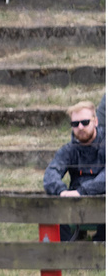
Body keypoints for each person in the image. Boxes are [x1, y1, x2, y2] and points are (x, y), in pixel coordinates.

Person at [44, 102, 106, 239]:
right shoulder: (69, 149)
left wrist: (82, 191)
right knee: (53, 206)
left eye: (85, 122)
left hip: (103, 202)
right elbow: (51, 173)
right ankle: (65, 253)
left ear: (95, 122)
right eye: (75, 124)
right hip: (75, 205)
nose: (80, 127)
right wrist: (61, 191)